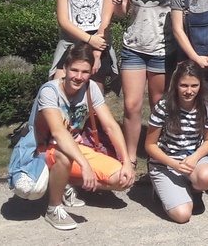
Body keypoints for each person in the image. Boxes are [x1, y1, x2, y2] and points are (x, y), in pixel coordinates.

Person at [34, 43, 135, 231]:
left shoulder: (90, 88)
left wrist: (127, 161)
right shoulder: (49, 91)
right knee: (62, 158)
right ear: (65, 68)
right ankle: (53, 208)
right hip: (45, 149)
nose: (79, 77)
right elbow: (58, 133)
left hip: (74, 147)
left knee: (121, 179)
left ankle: (64, 182)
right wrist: (84, 165)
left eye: (85, 72)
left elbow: (111, 126)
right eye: (74, 70)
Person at [115, 0, 184, 172]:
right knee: (131, 105)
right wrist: (118, 5)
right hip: (134, 46)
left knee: (158, 105)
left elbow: (191, 1)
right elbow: (121, 13)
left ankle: (158, 152)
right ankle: (131, 156)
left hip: (161, 49)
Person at [144, 60, 208, 223]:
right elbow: (150, 145)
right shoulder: (163, 106)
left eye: (194, 86)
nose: (189, 91)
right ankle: (161, 191)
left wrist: (195, 157)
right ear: (176, 85)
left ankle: (195, 191)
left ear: (200, 85)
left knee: (207, 177)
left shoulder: (207, 106)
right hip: (166, 163)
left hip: (192, 158)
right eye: (184, 85)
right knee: (183, 216)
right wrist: (173, 164)